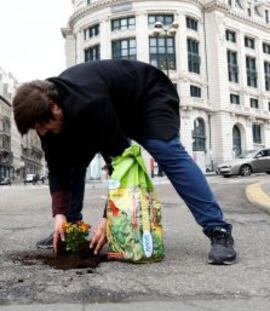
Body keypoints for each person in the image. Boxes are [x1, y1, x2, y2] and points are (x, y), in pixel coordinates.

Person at [12, 60, 236, 265]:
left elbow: (120, 163)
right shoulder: (42, 118)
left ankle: (218, 230)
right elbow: (58, 168)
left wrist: (109, 218)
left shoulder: (90, 103)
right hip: (107, 110)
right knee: (71, 163)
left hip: (146, 98)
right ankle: (70, 230)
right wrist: (59, 215)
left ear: (54, 106)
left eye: (42, 124)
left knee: (166, 150)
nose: (41, 131)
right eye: (35, 128)